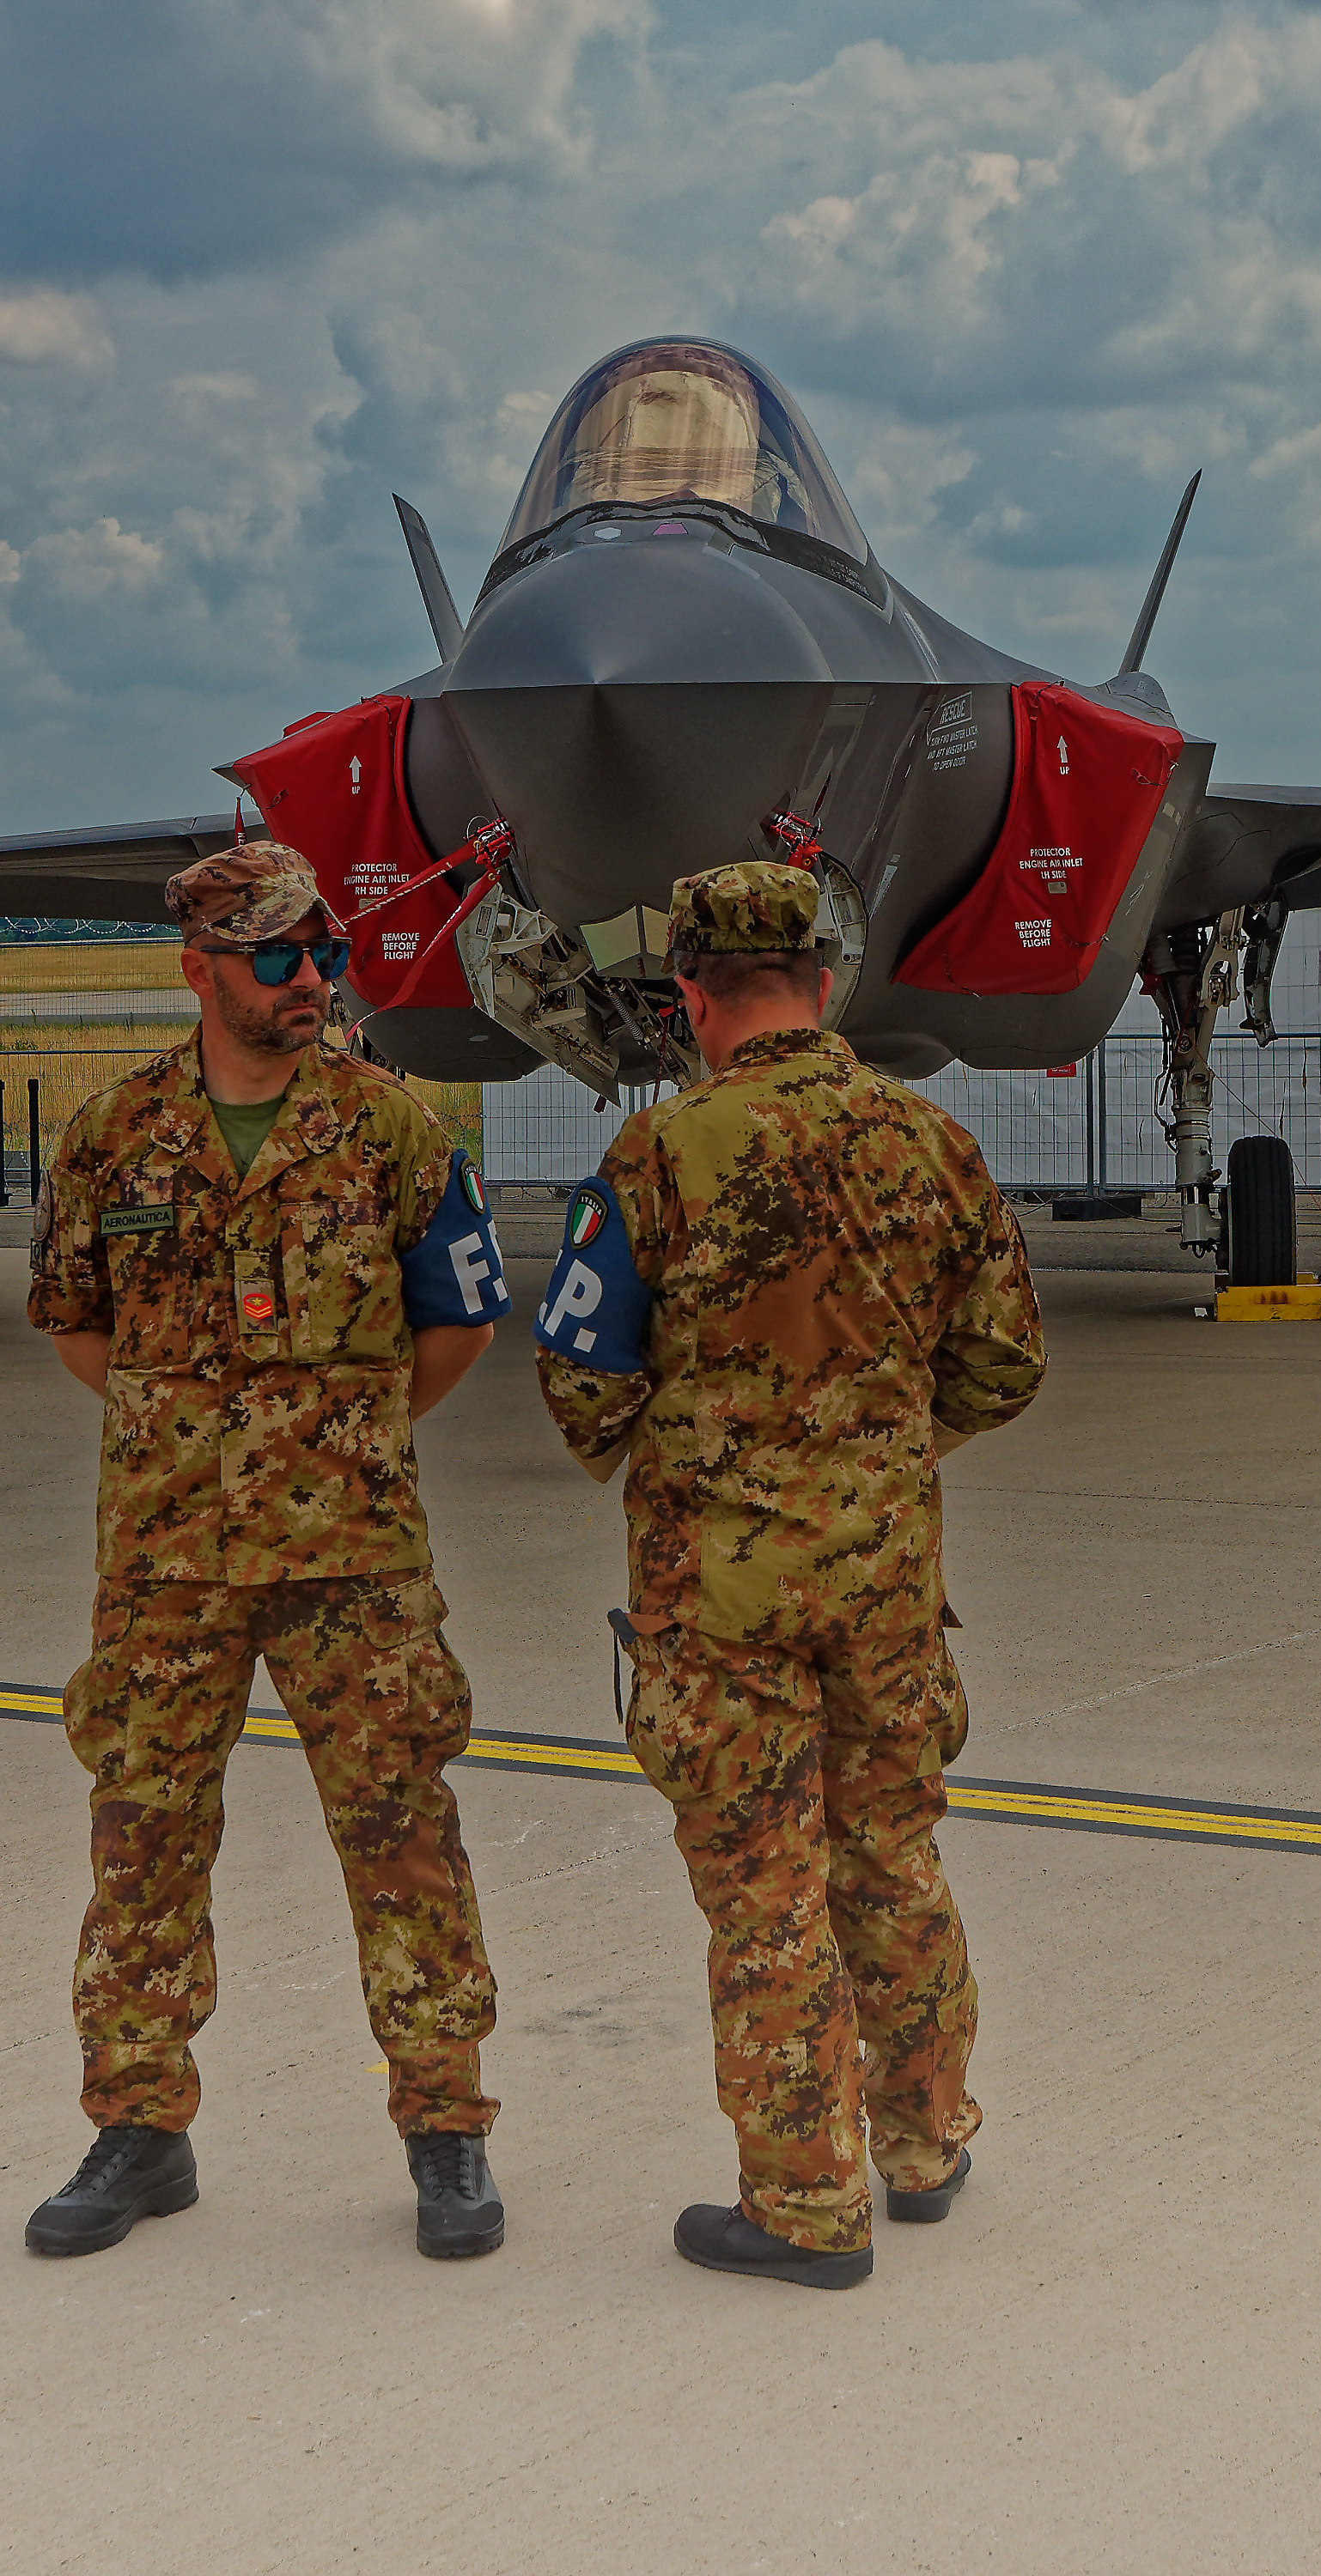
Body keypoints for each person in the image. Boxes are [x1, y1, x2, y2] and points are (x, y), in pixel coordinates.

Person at [533, 858, 1046, 2289]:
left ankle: (806, 2207)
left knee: (766, 1890)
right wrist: (882, 1449)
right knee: (894, 1860)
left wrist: (698, 1450)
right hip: (886, 1589)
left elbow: (581, 1385)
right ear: (825, 982)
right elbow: (1006, 1363)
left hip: (723, 1603)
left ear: (691, 997)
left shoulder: (659, 1156)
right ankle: (925, 2146)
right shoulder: (932, 1144)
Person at [24, 838, 512, 2262]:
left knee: (402, 1834)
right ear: (202, 969)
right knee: (143, 1838)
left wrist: (338, 1439)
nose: (314, 979)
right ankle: (139, 2129)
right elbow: (78, 1326)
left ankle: (447, 2129)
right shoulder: (112, 1135)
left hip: (351, 1558)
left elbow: (457, 1325)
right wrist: (197, 1438)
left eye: (327, 955)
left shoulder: (392, 1130)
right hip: (167, 1559)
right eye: (281, 956)